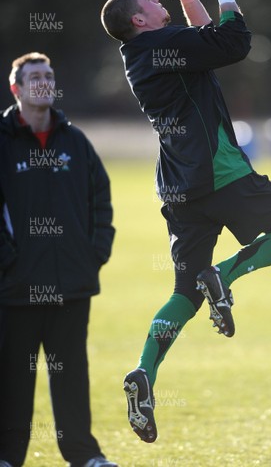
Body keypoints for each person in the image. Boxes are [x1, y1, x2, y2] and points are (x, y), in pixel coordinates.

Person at [100, 0, 271, 443]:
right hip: (218, 173)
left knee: (183, 294)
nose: (158, 0)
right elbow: (232, 43)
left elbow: (203, 44)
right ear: (140, 21)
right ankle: (225, 274)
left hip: (178, 186)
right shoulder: (159, 45)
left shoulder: (148, 51)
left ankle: (144, 374)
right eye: (149, 1)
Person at [0, 53, 118, 467]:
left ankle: (84, 456)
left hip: (72, 283)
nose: (43, 81)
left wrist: (94, 253)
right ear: (16, 88)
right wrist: (7, 263)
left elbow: (100, 201)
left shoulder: (75, 142)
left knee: (71, 375)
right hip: (16, 287)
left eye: (49, 75)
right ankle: (7, 457)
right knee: (14, 379)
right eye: (33, 76)